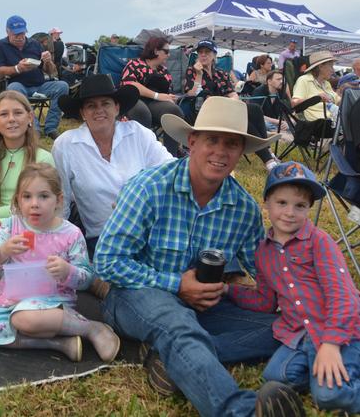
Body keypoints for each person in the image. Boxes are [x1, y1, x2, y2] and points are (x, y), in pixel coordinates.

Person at [94, 97, 304, 416]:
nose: (220, 152)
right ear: (192, 142)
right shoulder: (149, 188)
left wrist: (318, 294)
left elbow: (268, 271)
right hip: (134, 297)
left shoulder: (243, 208)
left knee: (290, 326)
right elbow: (107, 262)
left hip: (203, 307)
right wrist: (177, 284)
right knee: (176, 322)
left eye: (231, 144)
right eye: (212, 140)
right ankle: (241, 411)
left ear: (241, 153)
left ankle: (173, 359)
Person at [226, 161, 360, 415]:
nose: (290, 213)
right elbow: (265, 301)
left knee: (328, 395)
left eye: (300, 206)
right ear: (266, 203)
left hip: (340, 331)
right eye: (282, 203)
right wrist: (227, 291)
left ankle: (341, 375)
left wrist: (331, 345)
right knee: (276, 375)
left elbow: (343, 296)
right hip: (300, 335)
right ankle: (322, 370)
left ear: (309, 208)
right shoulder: (263, 252)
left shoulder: (319, 242)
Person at [0, 163, 121, 363]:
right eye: (27, 196)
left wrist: (67, 271)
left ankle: (91, 328)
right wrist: (3, 251)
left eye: (43, 196)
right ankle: (60, 344)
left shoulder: (70, 234)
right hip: (11, 297)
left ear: (59, 200)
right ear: (18, 200)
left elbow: (86, 278)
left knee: (23, 319)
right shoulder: (12, 226)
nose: (34, 204)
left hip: (52, 301)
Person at [53, 74, 172, 256]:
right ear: (82, 113)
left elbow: (170, 171)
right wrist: (55, 244)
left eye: (106, 103)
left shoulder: (138, 133)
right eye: (91, 106)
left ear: (117, 108)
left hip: (150, 232)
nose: (99, 110)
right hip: (104, 240)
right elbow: (62, 200)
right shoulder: (66, 145)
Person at [185, 39, 279, 171]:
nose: (203, 55)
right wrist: (199, 75)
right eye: (200, 52)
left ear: (214, 55)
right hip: (205, 112)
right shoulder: (192, 71)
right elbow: (191, 94)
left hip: (225, 109)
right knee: (241, 120)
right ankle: (269, 160)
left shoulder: (221, 74)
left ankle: (268, 152)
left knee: (255, 109)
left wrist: (233, 102)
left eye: (207, 52)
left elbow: (232, 93)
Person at [0, 90, 54, 225]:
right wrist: (22, 210)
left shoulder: (43, 159)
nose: (11, 119)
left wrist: (0, 218)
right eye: (4, 114)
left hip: (34, 231)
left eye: (18, 113)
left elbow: (45, 209)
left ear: (29, 117)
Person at [0, 15, 69, 139]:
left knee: (63, 86)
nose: (20, 37)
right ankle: (34, 128)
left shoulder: (35, 44)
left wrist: (48, 61)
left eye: (22, 33)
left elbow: (50, 71)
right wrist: (18, 68)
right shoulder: (0, 45)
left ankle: (51, 127)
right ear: (7, 32)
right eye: (16, 35)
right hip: (19, 86)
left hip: (40, 85)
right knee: (14, 88)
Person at [120, 36, 185, 156]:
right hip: (134, 99)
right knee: (142, 112)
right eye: (166, 51)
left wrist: (169, 98)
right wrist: (157, 95)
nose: (169, 55)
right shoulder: (135, 64)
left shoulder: (163, 71)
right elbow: (130, 84)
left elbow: (166, 92)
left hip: (155, 105)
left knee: (174, 111)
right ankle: (142, 155)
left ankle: (169, 156)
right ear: (156, 51)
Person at [292, 51, 340, 122]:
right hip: (316, 126)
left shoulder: (326, 83)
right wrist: (317, 98)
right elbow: (294, 103)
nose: (333, 70)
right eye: (331, 66)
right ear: (320, 67)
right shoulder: (304, 80)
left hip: (332, 122)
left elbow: (338, 101)